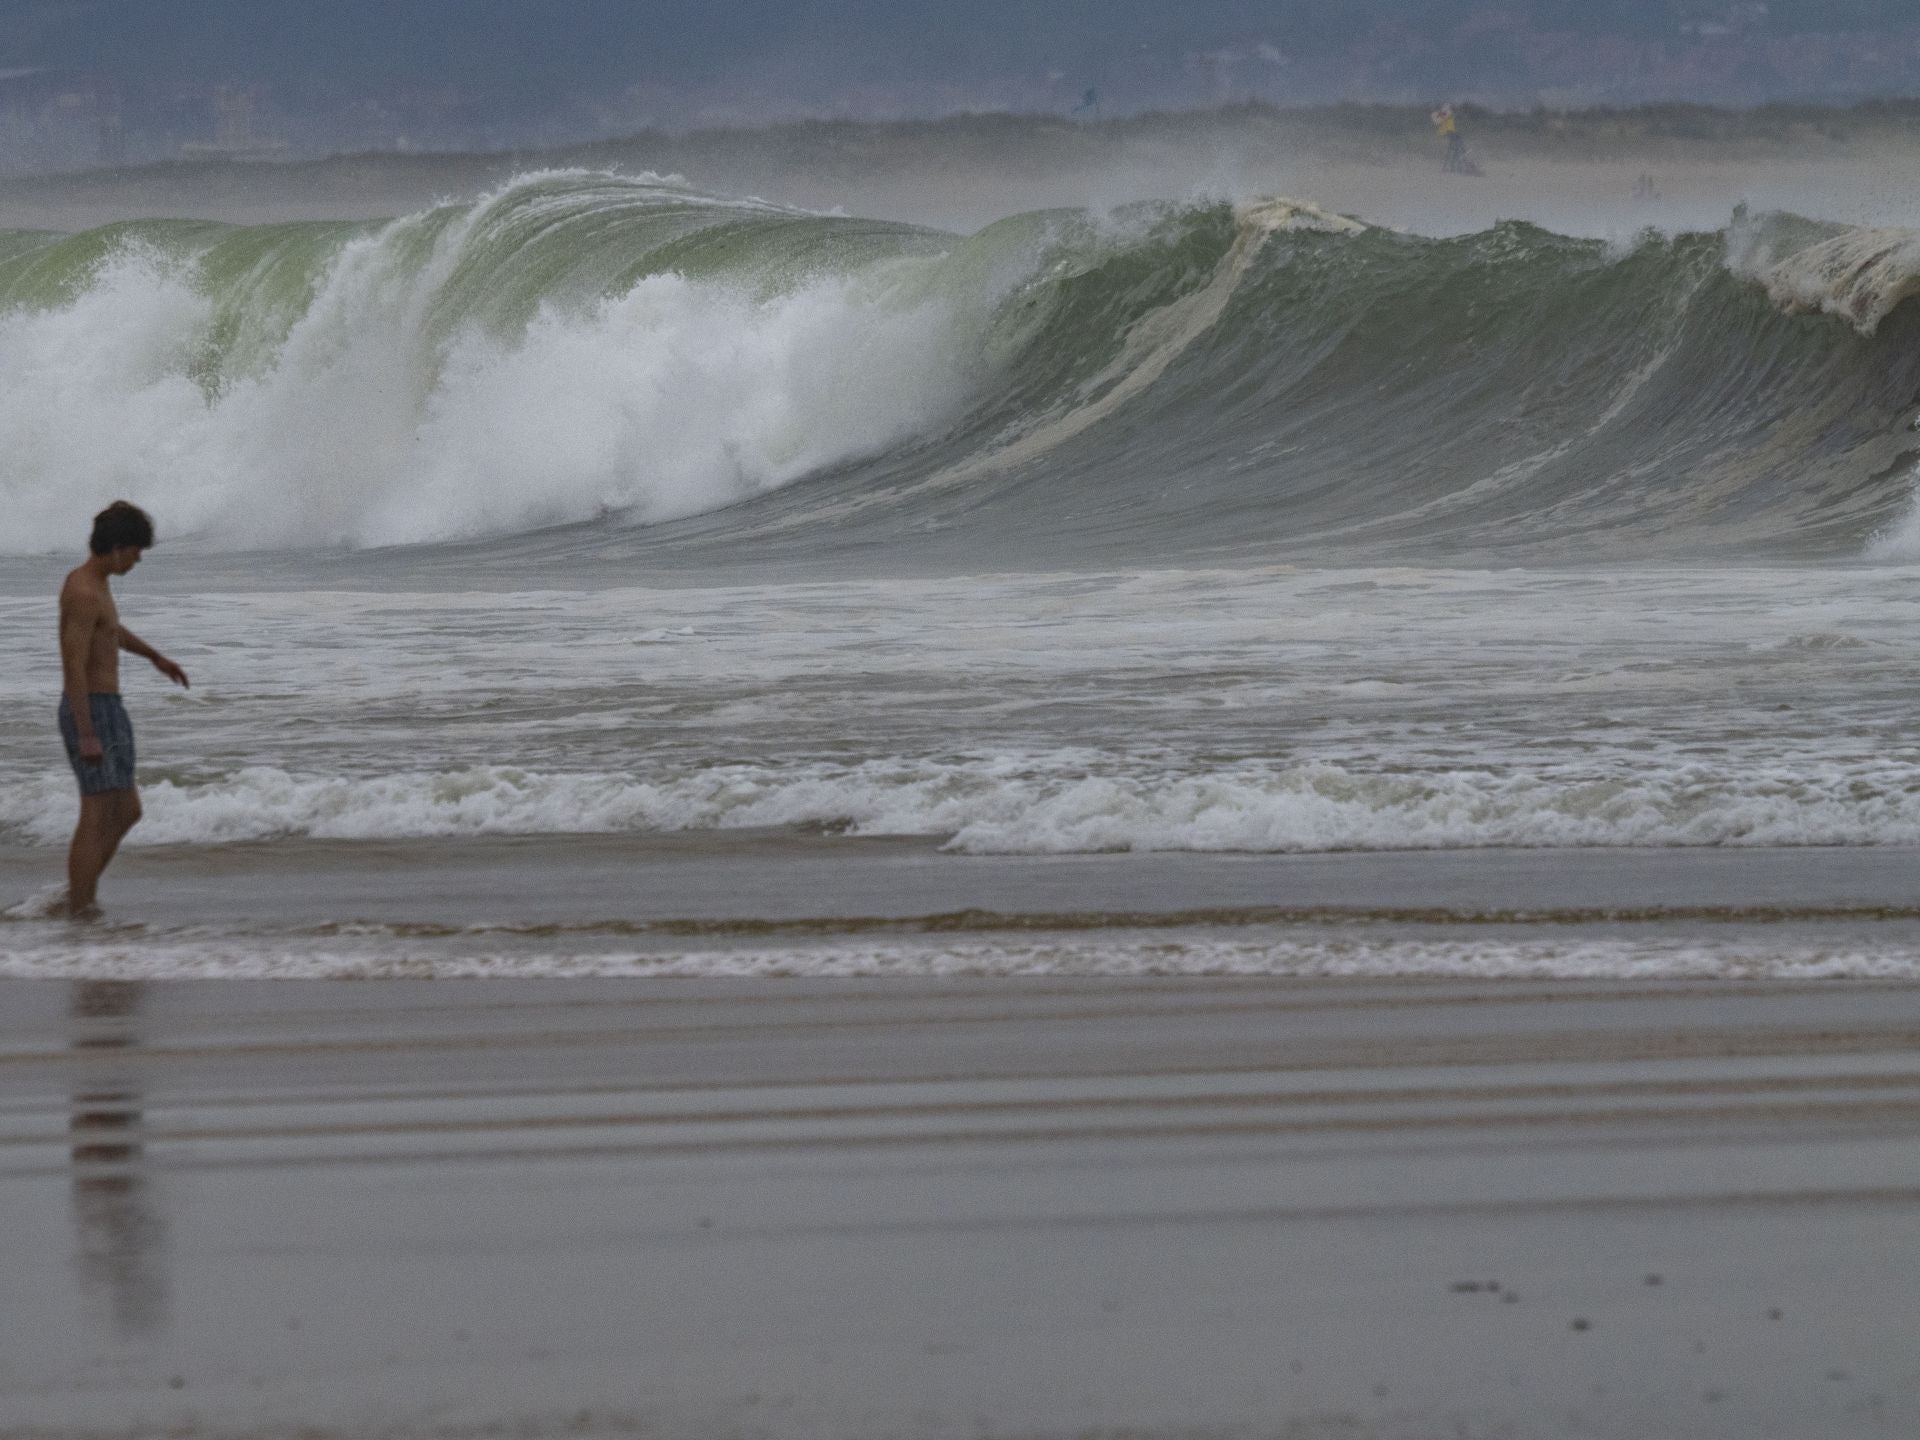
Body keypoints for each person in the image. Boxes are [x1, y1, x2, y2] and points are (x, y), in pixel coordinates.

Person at [56, 502, 188, 918]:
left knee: (128, 810)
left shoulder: (99, 585)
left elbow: (111, 630)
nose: (138, 559)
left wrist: (155, 656)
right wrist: (87, 731)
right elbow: (72, 665)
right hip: (91, 709)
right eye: (135, 550)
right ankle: (80, 906)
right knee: (95, 812)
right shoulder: (80, 590)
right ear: (115, 548)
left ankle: (78, 895)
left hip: (109, 707)